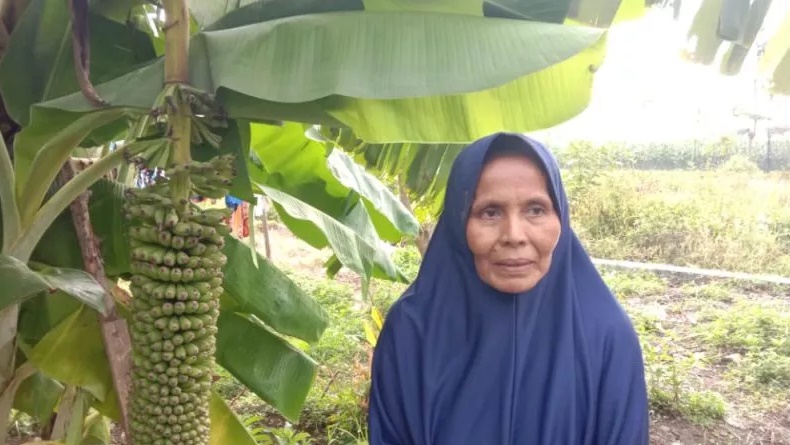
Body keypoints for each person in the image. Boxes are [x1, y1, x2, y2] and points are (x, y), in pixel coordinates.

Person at [367, 133, 649, 444]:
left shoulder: (606, 335)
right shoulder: (412, 331)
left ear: (561, 217)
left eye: (535, 210)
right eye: (490, 212)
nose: (514, 235)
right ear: (459, 223)